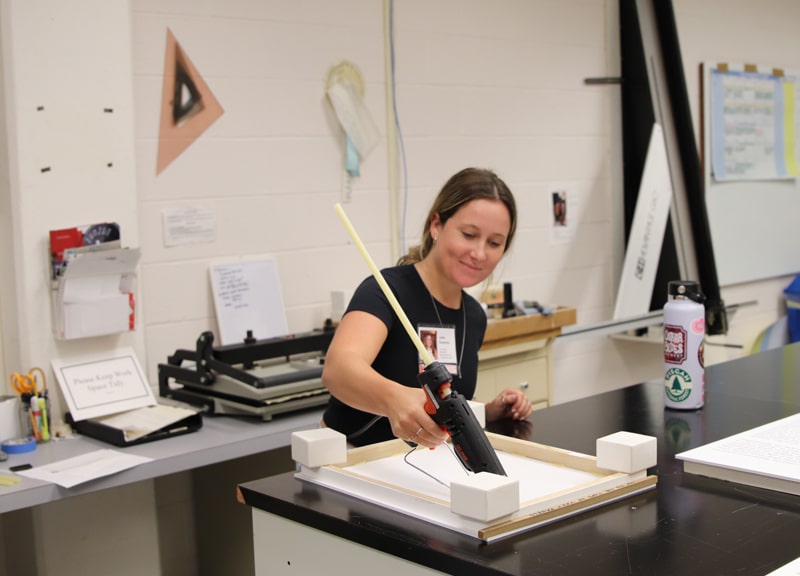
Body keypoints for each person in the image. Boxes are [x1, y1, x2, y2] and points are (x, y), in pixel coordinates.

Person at [321, 167, 534, 448]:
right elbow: (338, 370)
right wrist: (394, 399)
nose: (480, 253)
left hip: (420, 466)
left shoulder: (473, 316)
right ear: (436, 225)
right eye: (469, 234)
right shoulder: (385, 290)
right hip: (351, 460)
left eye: (494, 243)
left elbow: (442, 397)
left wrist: (488, 411)